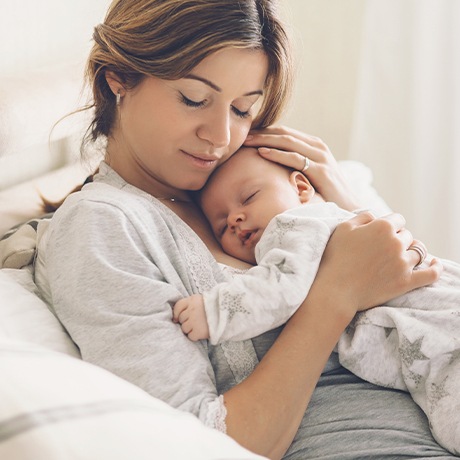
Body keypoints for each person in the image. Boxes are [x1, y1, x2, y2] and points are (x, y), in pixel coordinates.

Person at [33, 1, 452, 458]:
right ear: (120, 78)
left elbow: (413, 289)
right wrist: (335, 293)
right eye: (194, 99)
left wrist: (345, 200)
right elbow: (198, 442)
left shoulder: (248, 178)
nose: (219, 136)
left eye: (242, 109)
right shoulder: (102, 224)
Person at [173, 146, 460, 455]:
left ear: (301, 188)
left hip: (436, 328)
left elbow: (280, 289)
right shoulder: (336, 224)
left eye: (249, 197)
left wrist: (214, 311)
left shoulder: (296, 225)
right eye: (221, 224)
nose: (235, 218)